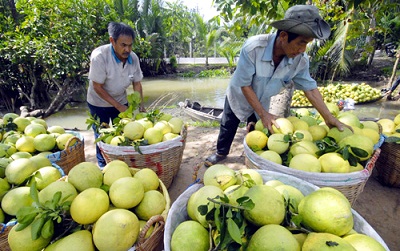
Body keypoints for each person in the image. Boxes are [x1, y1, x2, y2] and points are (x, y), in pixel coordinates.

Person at [204, 5, 349, 167]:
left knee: (258, 130)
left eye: (307, 44)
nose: (303, 49)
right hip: (239, 94)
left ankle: (253, 156)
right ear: (284, 36)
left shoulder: (300, 61)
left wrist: (329, 118)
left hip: (262, 100)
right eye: (301, 43)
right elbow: (244, 85)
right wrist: (263, 113)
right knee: (228, 124)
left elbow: (311, 89)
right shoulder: (254, 48)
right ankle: (220, 153)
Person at [87, 22, 145, 168]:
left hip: (120, 99)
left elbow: (137, 84)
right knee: (102, 136)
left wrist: (140, 106)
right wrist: (118, 106)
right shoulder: (99, 57)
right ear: (112, 41)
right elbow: (97, 87)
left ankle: (123, 164)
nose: (127, 49)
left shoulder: (134, 58)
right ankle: (103, 166)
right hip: (98, 102)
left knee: (125, 134)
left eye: (130, 45)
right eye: (123, 45)